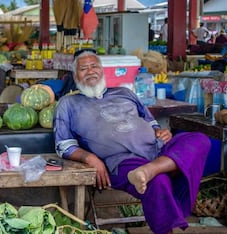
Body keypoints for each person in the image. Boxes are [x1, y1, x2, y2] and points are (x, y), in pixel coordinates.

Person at [54, 49, 211, 234]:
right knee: (158, 182)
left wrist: (159, 131)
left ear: (102, 71)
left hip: (157, 150)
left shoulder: (124, 92)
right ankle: (152, 175)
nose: (90, 71)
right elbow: (63, 145)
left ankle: (150, 169)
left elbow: (150, 120)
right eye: (83, 68)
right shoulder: (68, 104)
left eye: (94, 66)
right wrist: (89, 158)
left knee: (200, 139)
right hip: (123, 161)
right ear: (75, 75)